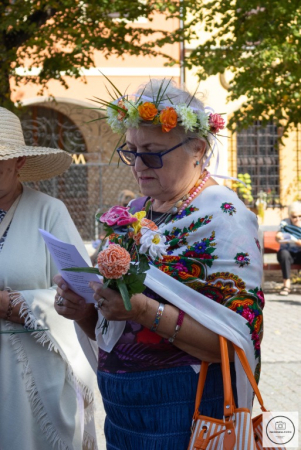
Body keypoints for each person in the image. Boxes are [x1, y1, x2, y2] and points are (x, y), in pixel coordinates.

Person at [54, 79, 264, 450]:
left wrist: (143, 309)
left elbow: (234, 345)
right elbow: (110, 330)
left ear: (197, 148)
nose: (137, 165)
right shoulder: (134, 213)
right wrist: (83, 308)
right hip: (122, 411)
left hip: (188, 410)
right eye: (131, 151)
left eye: (152, 153)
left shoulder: (224, 217)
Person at [0, 107, 97, 450]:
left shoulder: (49, 211)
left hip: (37, 384)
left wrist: (15, 304)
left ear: (20, 163)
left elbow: (87, 294)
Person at [276, 201, 301, 295]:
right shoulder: (285, 223)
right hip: (288, 254)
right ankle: (286, 285)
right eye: (294, 217)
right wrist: (279, 237)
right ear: (290, 216)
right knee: (284, 253)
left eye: (300, 216)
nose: (297, 219)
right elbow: (278, 235)